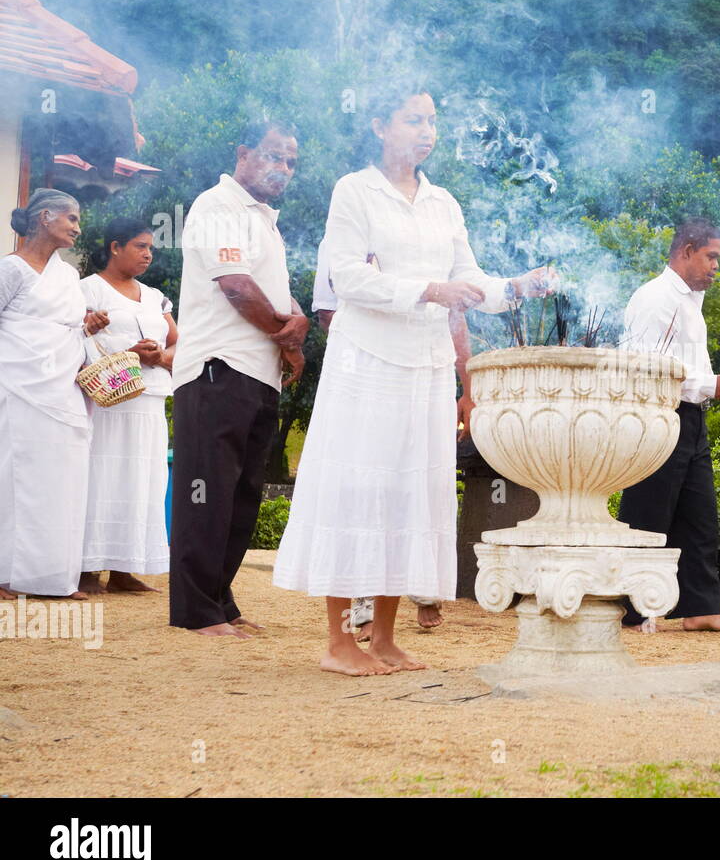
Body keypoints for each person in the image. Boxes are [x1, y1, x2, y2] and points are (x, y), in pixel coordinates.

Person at [272, 85, 554, 677]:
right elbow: (346, 277)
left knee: (408, 492)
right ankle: (338, 640)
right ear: (379, 123)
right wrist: (427, 290)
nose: (426, 131)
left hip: (424, 366)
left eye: (432, 121)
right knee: (360, 489)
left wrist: (516, 287)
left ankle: (387, 638)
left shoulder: (443, 203)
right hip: (367, 361)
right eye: (412, 120)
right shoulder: (354, 191)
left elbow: (468, 279)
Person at [168, 119, 309, 637]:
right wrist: (287, 335)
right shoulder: (217, 206)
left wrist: (294, 324)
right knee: (205, 490)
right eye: (274, 156)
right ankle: (195, 610)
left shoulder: (266, 221)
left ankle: (221, 602)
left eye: (291, 161)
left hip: (258, 371)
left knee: (241, 495)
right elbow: (235, 286)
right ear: (243, 153)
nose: (283, 169)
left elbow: (272, 290)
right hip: (217, 366)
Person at [311, 244, 475, 638]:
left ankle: (406, 609)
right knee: (362, 498)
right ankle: (354, 622)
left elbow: (454, 316)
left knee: (410, 497)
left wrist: (468, 387)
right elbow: (333, 314)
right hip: (366, 382)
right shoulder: (343, 244)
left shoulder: (436, 239)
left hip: (419, 381)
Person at [618, 217, 720, 633]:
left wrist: (705, 388)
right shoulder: (655, 298)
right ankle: (632, 610)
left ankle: (700, 607)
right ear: (686, 250)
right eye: (711, 257)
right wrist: (709, 383)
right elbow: (643, 367)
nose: (715, 267)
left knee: (700, 513)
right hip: (657, 414)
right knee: (648, 512)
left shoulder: (691, 300)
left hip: (690, 415)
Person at [0, 189, 108, 600]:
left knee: (63, 480)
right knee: (13, 480)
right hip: (18, 388)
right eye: (73, 219)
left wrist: (89, 324)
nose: (79, 229)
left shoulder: (67, 275)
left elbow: (68, 323)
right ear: (45, 217)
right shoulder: (11, 270)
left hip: (64, 391)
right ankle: (6, 573)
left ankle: (51, 577)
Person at [79, 219, 177, 595]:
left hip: (149, 398)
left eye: (151, 247)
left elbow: (178, 341)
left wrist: (160, 357)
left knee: (144, 481)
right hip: (108, 398)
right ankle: (88, 568)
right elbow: (74, 334)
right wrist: (127, 355)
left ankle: (125, 567)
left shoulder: (154, 296)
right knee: (100, 478)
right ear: (115, 247)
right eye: (139, 246)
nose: (148, 254)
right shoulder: (88, 289)